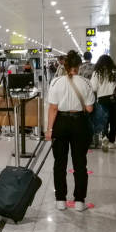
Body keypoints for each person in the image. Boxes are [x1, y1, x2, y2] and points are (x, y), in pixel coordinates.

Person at [46, 50, 94, 212]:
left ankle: (60, 200)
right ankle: (79, 201)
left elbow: (53, 108)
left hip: (60, 123)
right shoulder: (86, 83)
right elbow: (89, 108)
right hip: (80, 123)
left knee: (60, 163)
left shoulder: (56, 82)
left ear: (65, 66)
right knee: (80, 163)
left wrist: (49, 129)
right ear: (79, 66)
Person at [91, 55, 116, 151]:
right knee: (114, 121)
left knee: (104, 119)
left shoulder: (97, 73)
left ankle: (105, 137)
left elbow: (93, 87)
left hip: (103, 99)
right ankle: (112, 141)